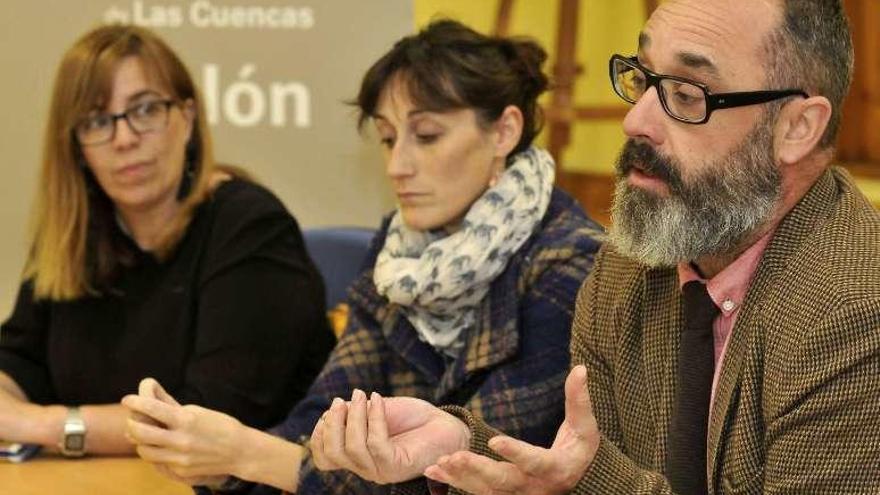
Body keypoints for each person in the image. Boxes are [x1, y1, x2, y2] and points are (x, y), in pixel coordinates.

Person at [298, 1, 880, 494]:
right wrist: (461, 440)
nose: (637, 120)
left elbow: (599, 476)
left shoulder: (858, 306)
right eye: (643, 78)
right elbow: (590, 461)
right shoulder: (628, 264)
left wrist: (582, 480)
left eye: (686, 92)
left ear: (797, 127)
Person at [122, 19, 604, 494]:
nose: (397, 166)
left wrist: (249, 456)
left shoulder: (573, 265)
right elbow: (325, 414)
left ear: (503, 132)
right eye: (389, 138)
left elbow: (475, 465)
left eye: (428, 136)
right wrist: (222, 466)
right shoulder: (400, 256)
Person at [0, 25, 335, 458]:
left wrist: (43, 423)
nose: (124, 139)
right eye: (98, 121)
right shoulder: (74, 237)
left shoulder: (248, 225)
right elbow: (18, 361)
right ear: (77, 147)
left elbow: (211, 417)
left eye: (145, 110)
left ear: (187, 119)